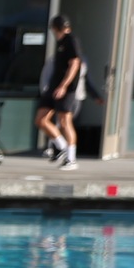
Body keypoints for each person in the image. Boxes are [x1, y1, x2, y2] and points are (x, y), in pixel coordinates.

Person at [34, 13, 86, 168]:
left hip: (66, 89)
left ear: (56, 28)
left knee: (64, 121)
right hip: (53, 87)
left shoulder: (71, 41)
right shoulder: (61, 42)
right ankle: (62, 147)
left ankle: (71, 159)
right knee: (41, 119)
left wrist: (63, 86)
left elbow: (75, 64)